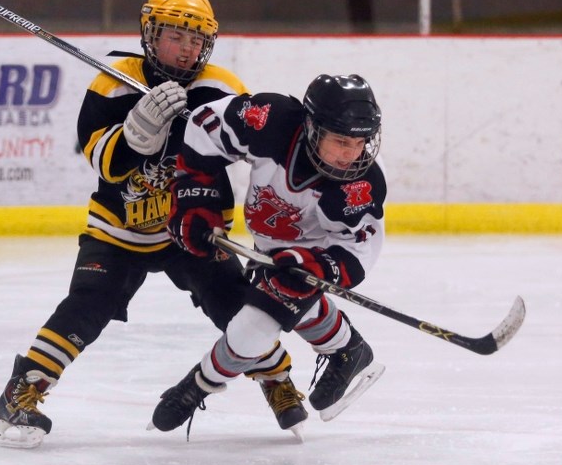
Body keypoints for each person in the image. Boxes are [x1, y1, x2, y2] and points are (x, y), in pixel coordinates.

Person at [0, 0, 303, 449]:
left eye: (197, 40)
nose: (188, 48)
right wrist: (136, 134)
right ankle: (21, 391)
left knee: (234, 304)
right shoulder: (113, 81)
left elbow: (258, 157)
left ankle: (277, 381)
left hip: (192, 229)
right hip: (120, 226)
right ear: (150, 34)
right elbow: (101, 162)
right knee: (88, 303)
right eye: (177, 36)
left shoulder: (221, 89)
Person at [151, 73, 387, 434]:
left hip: (315, 249)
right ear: (311, 126)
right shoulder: (268, 119)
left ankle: (196, 386)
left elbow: (361, 247)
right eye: (341, 141)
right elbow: (204, 125)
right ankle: (349, 349)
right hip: (270, 242)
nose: (352, 154)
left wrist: (317, 269)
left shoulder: (362, 184)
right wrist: (196, 193)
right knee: (291, 307)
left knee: (253, 327)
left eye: (360, 143)